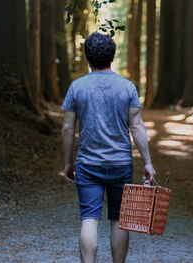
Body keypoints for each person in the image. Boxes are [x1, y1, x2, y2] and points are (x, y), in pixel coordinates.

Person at [61, 32, 156, 263]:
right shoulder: (127, 87)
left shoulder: (77, 87)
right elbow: (137, 126)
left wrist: (67, 162)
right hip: (120, 163)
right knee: (119, 219)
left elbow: (67, 128)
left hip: (88, 163)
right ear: (111, 56)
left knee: (89, 219)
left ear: (88, 58)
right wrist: (148, 162)